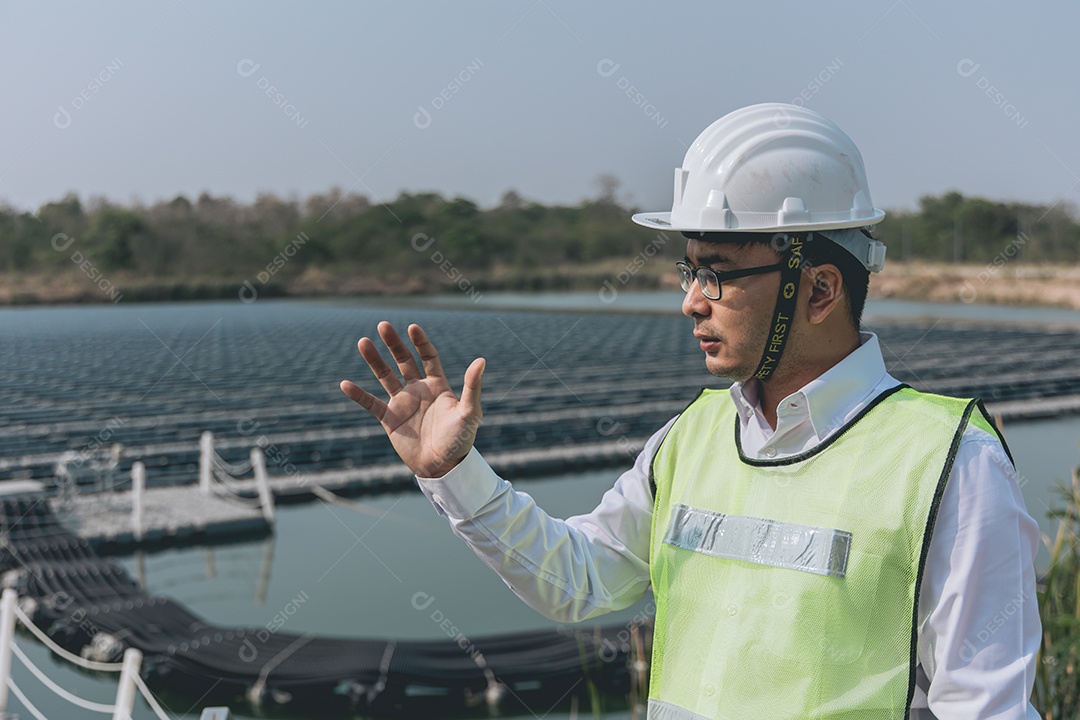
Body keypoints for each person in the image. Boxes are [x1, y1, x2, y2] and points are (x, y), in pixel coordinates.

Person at [340, 103, 1040, 719]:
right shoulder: (695, 435)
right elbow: (581, 581)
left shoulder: (949, 461)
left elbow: (985, 708)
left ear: (820, 290)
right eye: (689, 270)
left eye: (718, 273)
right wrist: (455, 471)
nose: (691, 300)